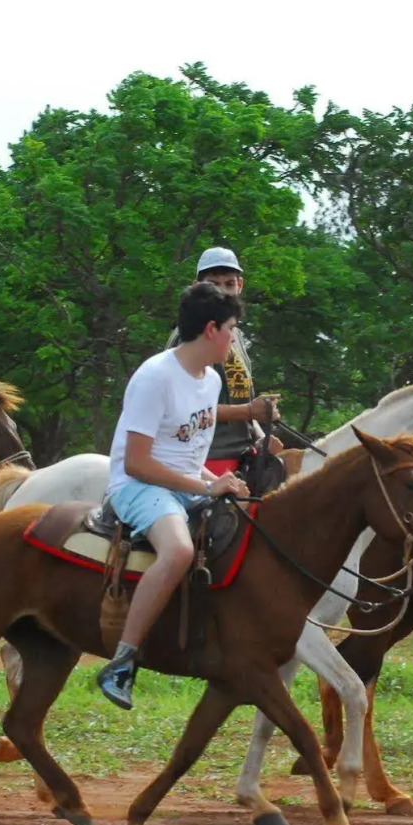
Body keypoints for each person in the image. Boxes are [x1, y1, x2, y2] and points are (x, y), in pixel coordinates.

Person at [95, 282, 251, 709]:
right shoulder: (155, 377)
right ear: (212, 329)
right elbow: (137, 464)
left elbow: (188, 452)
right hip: (139, 487)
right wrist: (206, 486)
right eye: (232, 328)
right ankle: (122, 662)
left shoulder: (210, 381)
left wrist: (221, 484)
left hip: (181, 485)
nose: (235, 338)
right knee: (180, 551)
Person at [167, 247, 283, 476]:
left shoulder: (236, 337)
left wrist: (261, 436)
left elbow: (244, 409)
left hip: (244, 457)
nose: (222, 292)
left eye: (229, 284)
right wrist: (250, 410)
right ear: (196, 288)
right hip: (205, 460)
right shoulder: (188, 338)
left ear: (240, 286)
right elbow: (183, 410)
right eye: (213, 284)